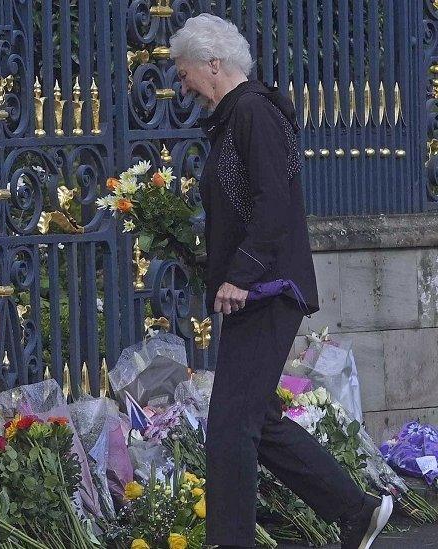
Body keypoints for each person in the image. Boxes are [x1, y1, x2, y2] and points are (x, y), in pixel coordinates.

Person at [169, 14, 392, 549]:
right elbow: (244, 205)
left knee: (229, 427)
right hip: (255, 290)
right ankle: (356, 510)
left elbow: (274, 205)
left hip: (268, 292)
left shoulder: (252, 113)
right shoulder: (237, 116)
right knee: (256, 420)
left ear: (214, 64)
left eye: (184, 73)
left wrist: (241, 274)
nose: (182, 86)